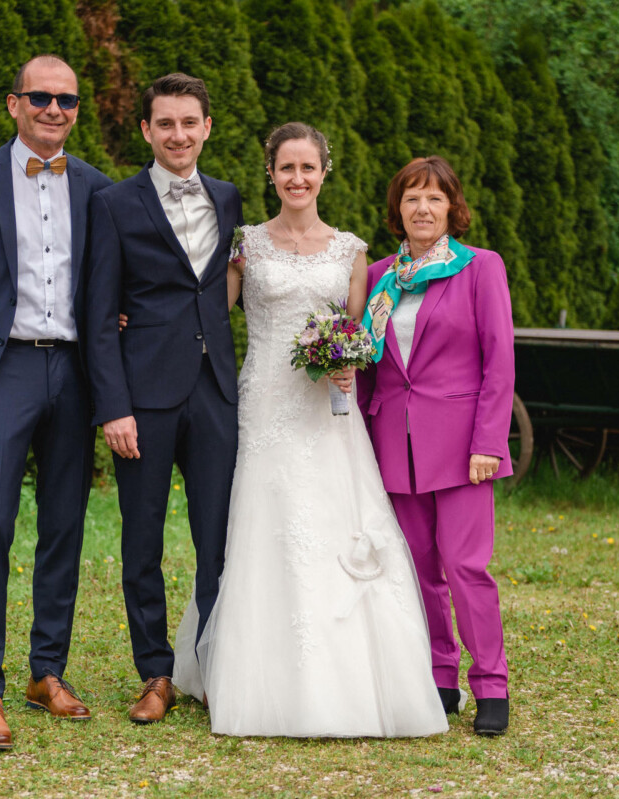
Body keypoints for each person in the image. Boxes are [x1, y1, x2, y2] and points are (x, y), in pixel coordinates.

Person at [170, 122, 448, 738]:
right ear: (270, 173)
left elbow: (358, 333)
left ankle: (352, 675)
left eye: (308, 168)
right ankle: (247, 670)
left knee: (333, 523)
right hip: (263, 403)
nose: (297, 178)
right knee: (260, 526)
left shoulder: (351, 250)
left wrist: (348, 360)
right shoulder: (246, 243)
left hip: (328, 413)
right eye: (286, 168)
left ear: (325, 173)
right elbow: (208, 316)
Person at [0, 54, 113, 749]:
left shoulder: (97, 188)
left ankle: (47, 671)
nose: (54, 110)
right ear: (14, 103)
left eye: (66, 101)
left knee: (64, 524)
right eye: (41, 97)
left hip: (73, 372)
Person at [83, 73, 244, 724]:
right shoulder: (114, 204)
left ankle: (210, 665)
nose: (179, 135)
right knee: (142, 537)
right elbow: (98, 314)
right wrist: (112, 405)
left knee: (219, 538)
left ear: (207, 128)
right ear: (147, 130)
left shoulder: (230, 199)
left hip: (215, 391)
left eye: (190, 122)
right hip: (143, 397)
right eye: (165, 124)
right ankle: (155, 671)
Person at [356, 155, 515, 736]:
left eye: (434, 198)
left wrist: (489, 444)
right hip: (395, 447)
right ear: (397, 210)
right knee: (419, 571)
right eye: (411, 198)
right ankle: (440, 678)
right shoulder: (378, 277)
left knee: (467, 567)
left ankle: (491, 685)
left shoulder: (480, 268)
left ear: (453, 208)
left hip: (464, 448)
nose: (423, 208)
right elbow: (370, 367)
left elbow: (500, 363)